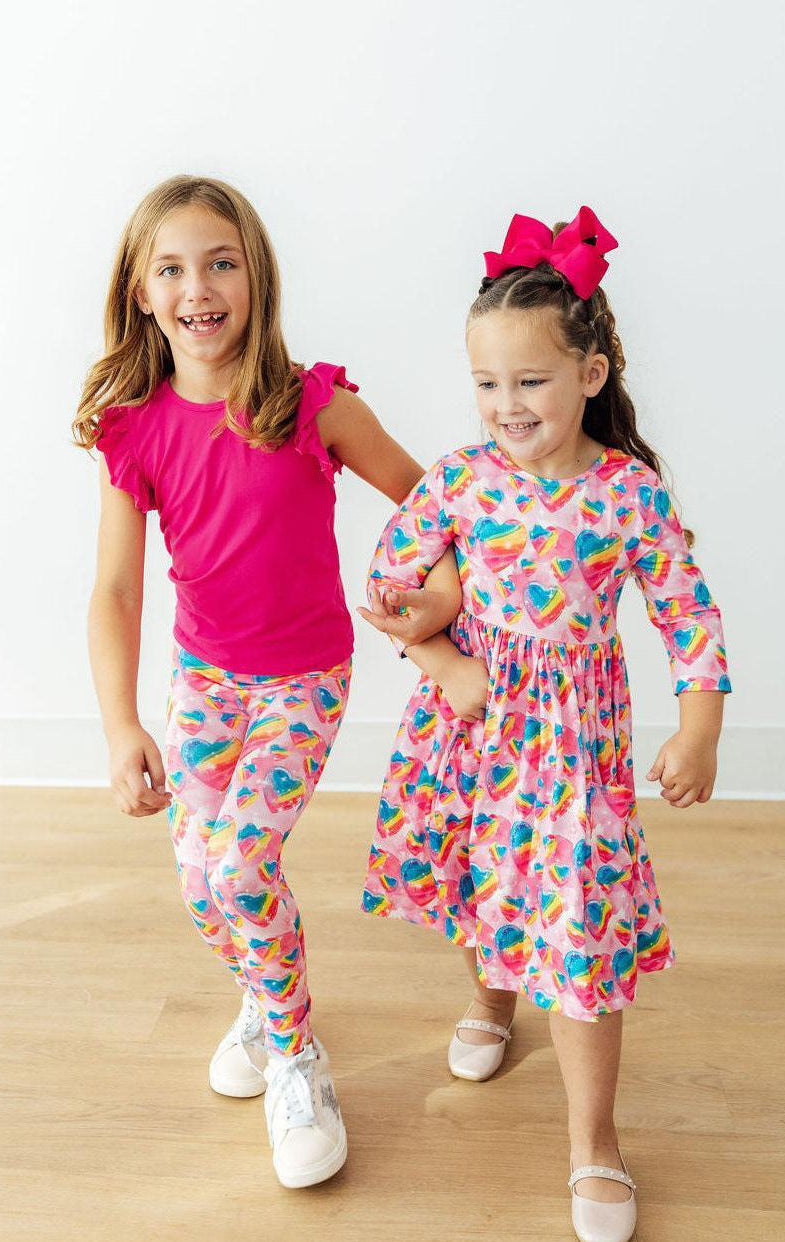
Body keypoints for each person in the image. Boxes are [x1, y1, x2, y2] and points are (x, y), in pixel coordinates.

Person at [72, 174, 460, 1189]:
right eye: (170, 269)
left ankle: (295, 1055)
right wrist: (120, 726)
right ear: (141, 293)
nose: (197, 287)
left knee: (241, 869)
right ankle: (264, 994)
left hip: (302, 680)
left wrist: (438, 599)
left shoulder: (312, 404)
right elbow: (115, 590)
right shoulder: (133, 430)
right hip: (205, 682)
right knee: (200, 882)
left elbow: (430, 503)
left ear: (255, 278)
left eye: (220, 263)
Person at [359, 207, 730, 1242]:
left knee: (580, 928)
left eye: (527, 381)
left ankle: (592, 1142)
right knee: (481, 880)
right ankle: (491, 999)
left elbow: (688, 616)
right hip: (471, 735)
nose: (504, 406)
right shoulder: (460, 480)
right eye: (485, 384)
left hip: (573, 750)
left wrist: (697, 729)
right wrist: (443, 659)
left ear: (589, 374)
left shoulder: (627, 494)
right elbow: (386, 585)